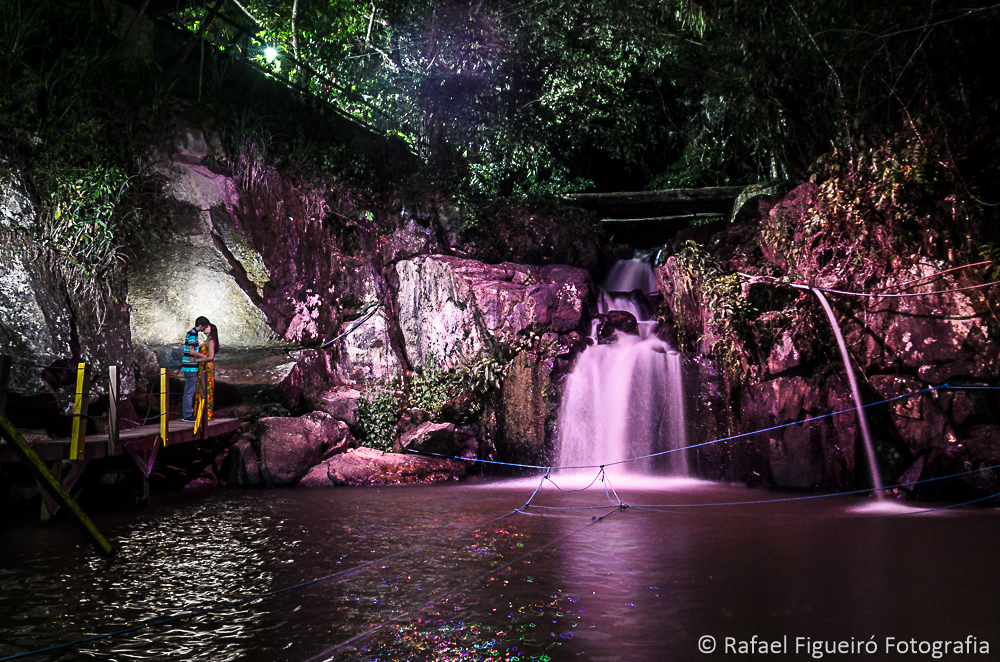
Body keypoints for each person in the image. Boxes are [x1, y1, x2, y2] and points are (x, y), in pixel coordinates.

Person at [181, 317, 209, 421]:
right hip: (190, 366)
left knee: (189, 390)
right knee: (189, 391)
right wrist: (203, 356)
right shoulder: (193, 334)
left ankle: (187, 412)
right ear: (200, 326)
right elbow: (191, 351)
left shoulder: (192, 333)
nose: (204, 329)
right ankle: (187, 414)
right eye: (204, 326)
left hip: (189, 365)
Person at [194, 323, 219, 421]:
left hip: (206, 367)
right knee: (201, 389)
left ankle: (206, 415)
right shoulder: (208, 340)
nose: (205, 328)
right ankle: (200, 414)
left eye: (207, 326)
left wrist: (196, 360)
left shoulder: (211, 341)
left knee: (206, 390)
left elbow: (211, 357)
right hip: (203, 367)